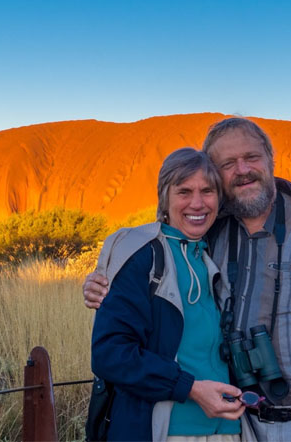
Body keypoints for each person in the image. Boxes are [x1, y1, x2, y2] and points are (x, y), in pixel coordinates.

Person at [85, 119, 291, 442]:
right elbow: (163, 243)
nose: (242, 169)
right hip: (243, 426)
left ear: (270, 160)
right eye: (228, 163)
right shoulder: (210, 233)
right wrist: (104, 280)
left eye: (251, 157)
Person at [91, 147, 250, 442]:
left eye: (207, 191)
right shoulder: (142, 255)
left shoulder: (215, 255)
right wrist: (189, 388)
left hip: (228, 430)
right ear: (165, 197)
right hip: (166, 431)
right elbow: (109, 354)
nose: (197, 203)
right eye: (184, 191)